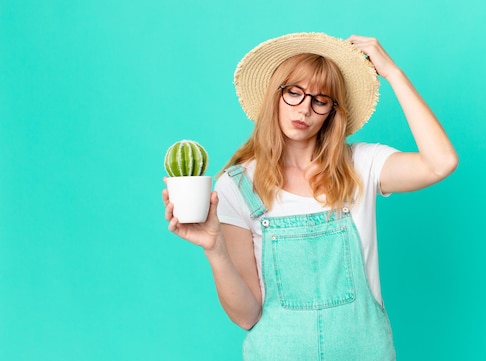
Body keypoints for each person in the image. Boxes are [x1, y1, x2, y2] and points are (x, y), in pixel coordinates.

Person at [163, 32, 458, 360]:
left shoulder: (361, 165)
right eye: (294, 92)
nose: (304, 109)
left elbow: (441, 162)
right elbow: (247, 315)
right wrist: (215, 249)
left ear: (332, 111)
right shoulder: (237, 185)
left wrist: (393, 74)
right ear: (275, 94)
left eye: (320, 100)